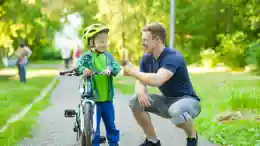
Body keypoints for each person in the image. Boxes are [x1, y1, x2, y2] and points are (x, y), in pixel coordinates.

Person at [122, 22, 201, 146]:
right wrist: (140, 91)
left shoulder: (173, 57)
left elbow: (157, 80)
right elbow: (141, 80)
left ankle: (192, 136)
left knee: (176, 111)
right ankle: (152, 141)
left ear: (157, 40)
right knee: (135, 101)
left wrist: (132, 72)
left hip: (188, 102)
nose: (142, 43)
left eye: (145, 40)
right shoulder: (146, 58)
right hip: (167, 101)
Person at [75, 23, 121, 146]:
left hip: (107, 99)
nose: (104, 44)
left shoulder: (108, 57)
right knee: (94, 127)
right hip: (93, 99)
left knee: (111, 124)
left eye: (105, 41)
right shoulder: (87, 57)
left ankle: (114, 143)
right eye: (101, 42)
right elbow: (78, 65)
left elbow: (116, 66)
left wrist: (110, 69)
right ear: (91, 43)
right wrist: (83, 69)